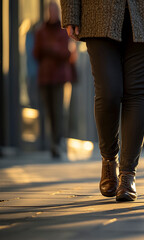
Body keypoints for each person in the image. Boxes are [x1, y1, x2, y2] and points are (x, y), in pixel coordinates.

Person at [60, 0, 144, 201]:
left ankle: (128, 174)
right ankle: (109, 159)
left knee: (136, 92)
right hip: (98, 12)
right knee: (109, 92)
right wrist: (70, 13)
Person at [33, 2, 76, 160]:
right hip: (45, 77)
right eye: (49, 10)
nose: (52, 13)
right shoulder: (40, 31)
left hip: (60, 77)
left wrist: (50, 49)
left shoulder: (64, 31)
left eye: (54, 10)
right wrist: (53, 49)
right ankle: (53, 142)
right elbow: (36, 53)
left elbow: (66, 53)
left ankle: (58, 143)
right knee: (49, 112)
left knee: (59, 112)